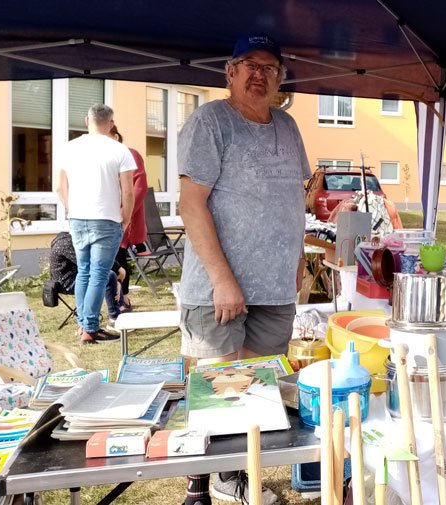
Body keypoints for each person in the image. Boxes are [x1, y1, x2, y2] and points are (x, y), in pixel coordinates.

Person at [177, 32, 310, 505]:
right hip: (220, 289)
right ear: (230, 73)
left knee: (255, 393)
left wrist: (297, 259)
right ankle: (203, 483)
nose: (259, 74)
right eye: (250, 65)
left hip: (274, 287)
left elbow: (293, 198)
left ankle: (234, 473)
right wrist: (222, 279)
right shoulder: (211, 120)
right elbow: (191, 204)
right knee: (220, 392)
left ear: (280, 78)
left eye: (269, 67)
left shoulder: (288, 126)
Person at [56, 104, 135, 344]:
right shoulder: (119, 150)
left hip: (78, 219)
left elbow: (60, 187)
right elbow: (128, 192)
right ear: (111, 123)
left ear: (86, 121)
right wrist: (126, 219)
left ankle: (84, 324)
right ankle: (89, 328)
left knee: (84, 272)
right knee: (99, 274)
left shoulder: (69, 148)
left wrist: (72, 209)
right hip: (107, 219)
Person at [48, 232, 123, 342]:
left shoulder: (65, 240)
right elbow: (94, 262)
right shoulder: (66, 244)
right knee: (110, 275)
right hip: (67, 283)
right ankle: (114, 318)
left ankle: (113, 315)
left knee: (109, 275)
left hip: (72, 278)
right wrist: (119, 270)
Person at [110, 125, 149, 312]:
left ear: (116, 137)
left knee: (118, 254)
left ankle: (123, 299)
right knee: (113, 256)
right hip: (107, 215)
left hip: (126, 216)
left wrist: (125, 214)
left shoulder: (131, 154)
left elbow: (139, 189)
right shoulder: (106, 157)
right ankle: (116, 298)